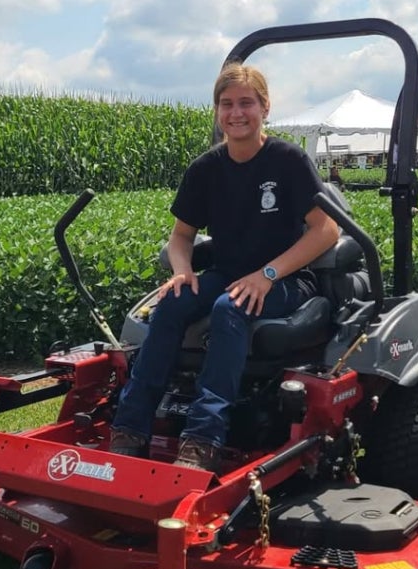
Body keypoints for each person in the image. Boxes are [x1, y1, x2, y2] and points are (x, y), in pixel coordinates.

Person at [109, 63, 340, 472]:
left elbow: (326, 230)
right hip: (228, 273)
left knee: (229, 308)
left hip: (286, 279)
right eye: (227, 104)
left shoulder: (287, 161)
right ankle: (130, 427)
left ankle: (203, 438)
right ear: (217, 110)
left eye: (246, 103)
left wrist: (267, 275)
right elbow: (181, 237)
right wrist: (182, 271)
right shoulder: (206, 169)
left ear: (265, 107)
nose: (236, 113)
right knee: (172, 304)